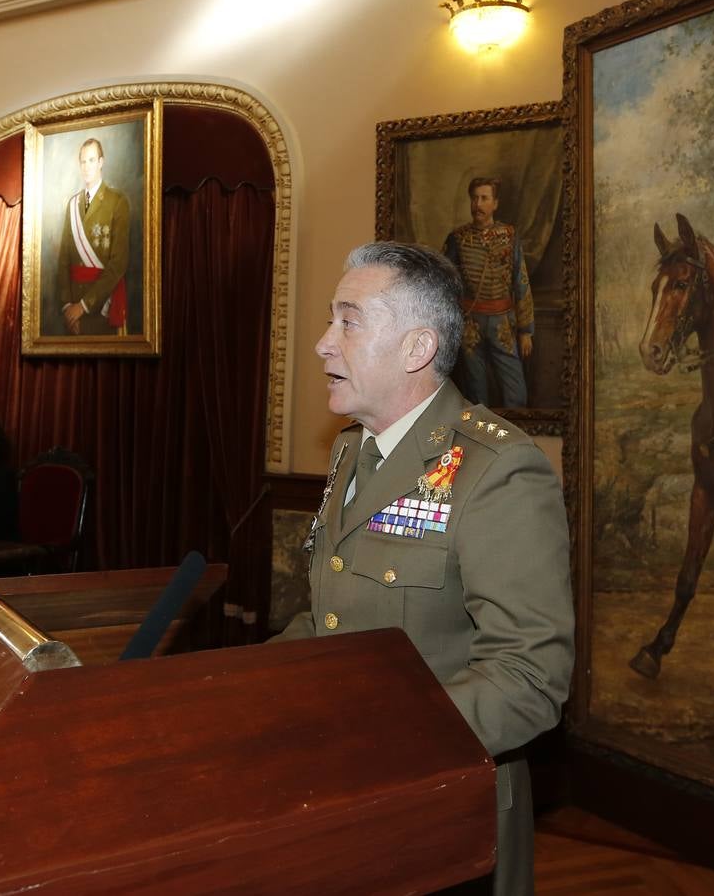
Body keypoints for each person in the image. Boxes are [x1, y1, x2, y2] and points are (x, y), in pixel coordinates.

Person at [274, 241, 574, 896]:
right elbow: (326, 619)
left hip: (446, 815)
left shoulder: (497, 471)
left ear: (414, 349)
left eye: (347, 321)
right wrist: (236, 687)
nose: (324, 343)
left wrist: (369, 738)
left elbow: (527, 678)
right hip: (344, 800)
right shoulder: (353, 454)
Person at [442, 177, 535, 407]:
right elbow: (444, 283)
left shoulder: (509, 236)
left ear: (495, 204)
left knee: (516, 393)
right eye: (474, 198)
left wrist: (525, 331)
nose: (478, 204)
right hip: (469, 324)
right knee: (476, 393)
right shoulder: (457, 238)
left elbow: (520, 281)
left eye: (484, 198)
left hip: (502, 322)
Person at [55, 137, 131, 336]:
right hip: (73, 312)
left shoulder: (117, 202)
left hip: (101, 308)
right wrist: (67, 308)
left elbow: (118, 264)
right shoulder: (72, 205)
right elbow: (63, 260)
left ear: (101, 162)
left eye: (91, 160)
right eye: (83, 161)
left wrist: (83, 306)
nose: (86, 166)